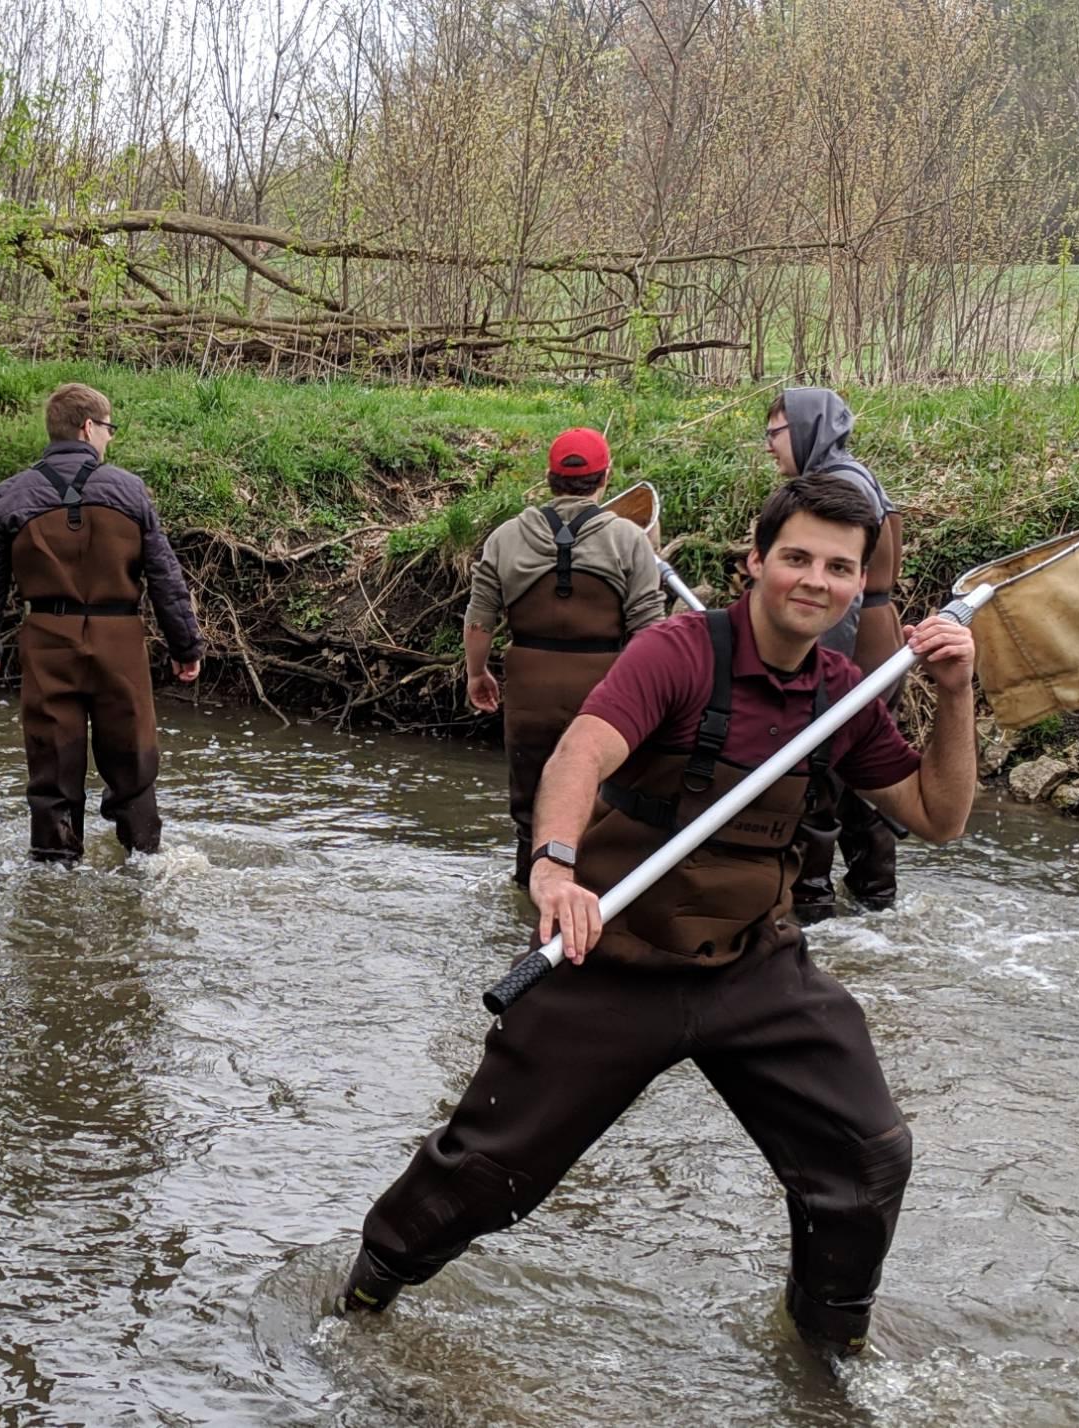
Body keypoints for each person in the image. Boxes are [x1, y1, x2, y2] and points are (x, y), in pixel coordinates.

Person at [336, 474, 978, 1359]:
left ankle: (828, 1351)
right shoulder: (678, 652)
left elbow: (937, 816)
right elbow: (581, 751)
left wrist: (955, 697)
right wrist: (554, 867)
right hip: (613, 954)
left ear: (857, 582)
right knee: (485, 1175)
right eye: (795, 557)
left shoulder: (845, 691)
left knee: (867, 1159)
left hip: (754, 966)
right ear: (755, 562)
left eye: (839, 567)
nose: (814, 581)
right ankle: (364, 1298)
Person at [0, 383, 204, 861]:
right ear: (88, 427)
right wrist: (185, 647)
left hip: (47, 642)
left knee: (52, 768)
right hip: (120, 643)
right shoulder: (130, 490)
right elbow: (165, 578)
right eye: (108, 428)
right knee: (133, 765)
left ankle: (53, 878)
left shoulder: (10, 495)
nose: (110, 438)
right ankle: (143, 866)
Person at [463, 428, 664, 883]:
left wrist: (477, 674)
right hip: (607, 700)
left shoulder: (505, 537)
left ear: (550, 478)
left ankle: (527, 897)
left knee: (530, 813)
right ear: (605, 477)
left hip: (529, 693)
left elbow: (479, 622)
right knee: (602, 805)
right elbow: (650, 631)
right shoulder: (629, 540)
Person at [766, 388, 906, 917]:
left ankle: (811, 906)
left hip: (852, 647)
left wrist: (816, 670)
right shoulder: (859, 476)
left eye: (775, 433)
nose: (769, 447)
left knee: (815, 775)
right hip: (879, 644)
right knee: (860, 775)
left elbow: (834, 595)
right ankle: (876, 901)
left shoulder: (832, 490)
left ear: (806, 429)